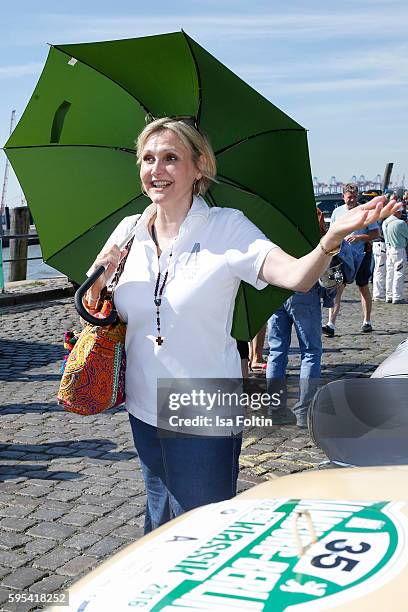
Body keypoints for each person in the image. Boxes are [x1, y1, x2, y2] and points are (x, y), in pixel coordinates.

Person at [85, 117, 397, 533]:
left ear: (199, 167)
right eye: (148, 158)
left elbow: (297, 276)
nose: (156, 169)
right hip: (142, 402)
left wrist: (331, 238)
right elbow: (95, 304)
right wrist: (98, 281)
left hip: (203, 402)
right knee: (157, 525)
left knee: (200, 529)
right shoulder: (129, 230)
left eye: (170, 158)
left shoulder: (226, 227)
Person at [265, 208, 328, 428]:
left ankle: (275, 409)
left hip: (276, 290)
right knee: (310, 351)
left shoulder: (273, 222)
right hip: (303, 291)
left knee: (277, 351)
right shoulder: (310, 228)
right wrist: (321, 228)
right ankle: (303, 410)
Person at [322, 183, 380, 336]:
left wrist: (359, 237)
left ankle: (367, 321)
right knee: (337, 288)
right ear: (343, 197)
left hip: (360, 255)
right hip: (341, 256)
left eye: (354, 197)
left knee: (362, 286)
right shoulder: (337, 212)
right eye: (349, 197)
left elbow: (375, 233)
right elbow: (332, 233)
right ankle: (330, 324)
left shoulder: (365, 211)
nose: (352, 200)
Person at [382, 205, 408, 303]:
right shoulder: (400, 223)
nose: (401, 214)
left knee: (390, 273)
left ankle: (389, 295)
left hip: (389, 249)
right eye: (400, 212)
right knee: (399, 273)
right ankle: (397, 296)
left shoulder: (385, 222)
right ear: (397, 212)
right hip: (398, 250)